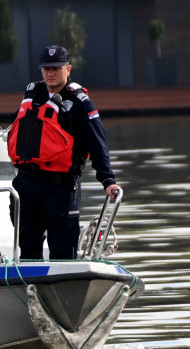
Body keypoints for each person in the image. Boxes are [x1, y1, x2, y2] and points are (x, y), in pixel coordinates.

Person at [8, 45, 122, 260]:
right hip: (27, 184)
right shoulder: (32, 96)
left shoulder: (81, 103)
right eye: (46, 68)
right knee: (27, 247)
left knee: (62, 250)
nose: (50, 73)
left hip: (60, 187)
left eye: (56, 68)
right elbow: (17, 131)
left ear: (68, 69)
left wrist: (107, 180)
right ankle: (30, 288)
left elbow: (98, 143)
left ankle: (64, 287)